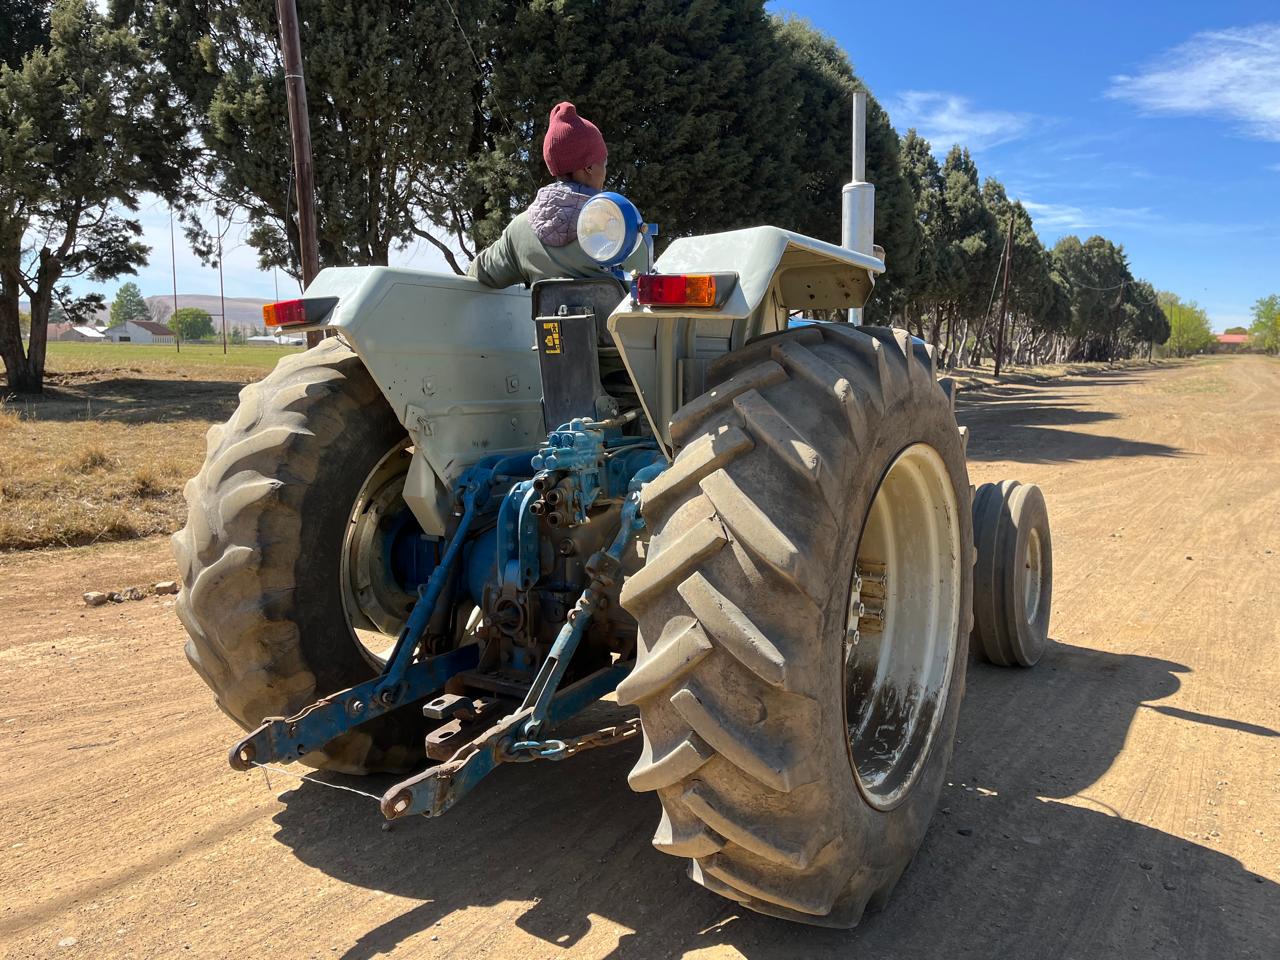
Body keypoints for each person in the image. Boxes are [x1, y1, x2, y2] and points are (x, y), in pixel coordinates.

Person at [468, 101, 640, 288]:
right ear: (589, 167)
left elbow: (479, 272)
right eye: (604, 164)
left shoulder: (519, 230)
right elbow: (642, 286)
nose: (605, 173)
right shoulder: (620, 223)